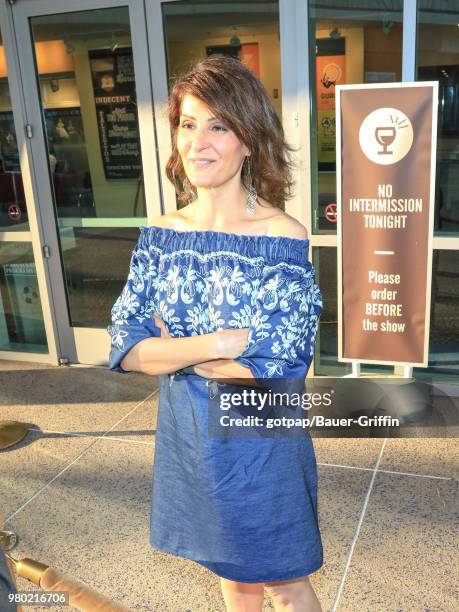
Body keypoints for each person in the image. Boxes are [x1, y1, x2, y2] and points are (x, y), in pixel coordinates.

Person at [107, 55, 323, 611]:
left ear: (249, 140)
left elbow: (283, 361)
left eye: (218, 125)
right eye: (187, 123)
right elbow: (127, 346)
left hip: (261, 443)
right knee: (230, 575)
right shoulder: (160, 235)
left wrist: (173, 350)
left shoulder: (281, 235)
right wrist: (223, 343)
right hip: (190, 439)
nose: (198, 142)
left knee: (284, 579)